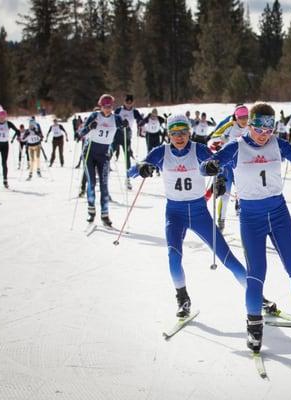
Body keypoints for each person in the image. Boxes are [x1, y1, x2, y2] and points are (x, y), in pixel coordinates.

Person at [200, 102, 291, 353]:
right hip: (251, 216)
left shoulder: (278, 144)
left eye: (269, 128)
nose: (264, 133)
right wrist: (208, 167)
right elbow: (208, 164)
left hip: (278, 212)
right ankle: (254, 324)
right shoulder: (236, 147)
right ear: (249, 125)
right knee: (257, 273)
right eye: (259, 128)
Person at [131, 114, 277, 318]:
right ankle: (182, 298)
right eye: (174, 133)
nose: (179, 137)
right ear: (169, 134)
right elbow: (131, 171)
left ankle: (257, 296)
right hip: (175, 213)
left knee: (227, 258)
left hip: (199, 212)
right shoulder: (160, 152)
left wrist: (219, 178)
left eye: (183, 132)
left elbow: (219, 163)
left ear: (189, 132)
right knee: (174, 256)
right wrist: (141, 168)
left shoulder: (198, 149)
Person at [78, 94, 124, 226]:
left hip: (104, 155)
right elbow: (81, 133)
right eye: (105, 106)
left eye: (109, 106)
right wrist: (88, 128)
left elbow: (123, 130)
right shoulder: (94, 116)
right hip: (90, 153)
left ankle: (105, 215)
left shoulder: (116, 118)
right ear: (101, 106)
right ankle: (91, 212)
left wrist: (125, 126)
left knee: (104, 186)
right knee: (91, 183)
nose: (107, 109)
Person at [208, 105, 250, 231]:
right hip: (228, 164)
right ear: (236, 118)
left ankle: (246, 220)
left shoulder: (250, 127)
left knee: (245, 193)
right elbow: (213, 137)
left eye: (246, 117)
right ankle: (221, 219)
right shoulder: (230, 125)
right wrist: (221, 140)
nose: (243, 120)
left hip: (243, 163)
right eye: (241, 117)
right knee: (225, 195)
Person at [114, 94, 144, 190]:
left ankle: (127, 179)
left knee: (127, 156)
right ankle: (101, 174)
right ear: (124, 102)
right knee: (110, 152)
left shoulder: (134, 111)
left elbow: (140, 120)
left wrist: (140, 122)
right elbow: (112, 119)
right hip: (117, 133)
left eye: (130, 103)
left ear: (133, 102)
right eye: (127, 102)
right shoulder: (119, 110)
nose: (128, 104)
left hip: (127, 134)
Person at [138, 109, 166, 174]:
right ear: (151, 114)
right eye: (153, 114)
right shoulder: (148, 118)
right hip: (149, 135)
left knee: (157, 151)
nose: (154, 116)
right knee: (150, 151)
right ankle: (148, 168)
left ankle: (157, 170)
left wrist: (167, 118)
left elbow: (165, 121)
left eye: (155, 115)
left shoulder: (159, 119)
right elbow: (141, 123)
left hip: (156, 135)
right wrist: (141, 123)